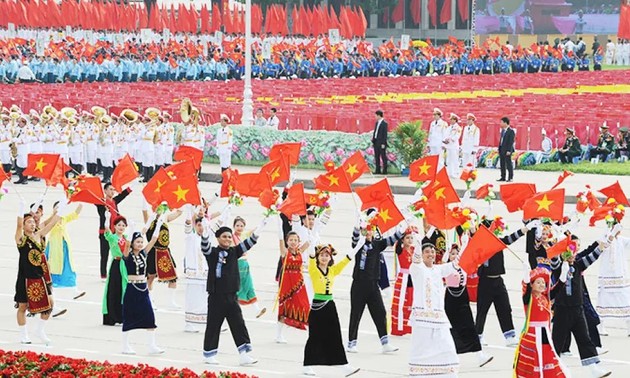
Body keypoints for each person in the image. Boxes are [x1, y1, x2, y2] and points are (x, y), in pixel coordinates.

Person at [201, 217, 269, 365]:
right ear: (218, 238)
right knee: (214, 325)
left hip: (232, 297)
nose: (227, 239)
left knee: (239, 324)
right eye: (224, 237)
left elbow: (249, 243)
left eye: (229, 237)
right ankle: (209, 355)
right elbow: (205, 247)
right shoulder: (212, 253)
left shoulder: (234, 251)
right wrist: (206, 233)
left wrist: (260, 228)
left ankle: (244, 354)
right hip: (216, 296)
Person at [551, 232, 612, 377]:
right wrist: (558, 249)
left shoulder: (578, 265)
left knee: (584, 339)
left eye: (573, 253)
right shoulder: (559, 267)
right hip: (562, 310)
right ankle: (550, 368)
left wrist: (601, 247)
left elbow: (591, 258)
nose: (572, 255)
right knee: (556, 342)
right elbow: (553, 260)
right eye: (568, 253)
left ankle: (593, 369)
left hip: (578, 310)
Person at [347, 210, 403, 354]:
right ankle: (351, 343)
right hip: (359, 284)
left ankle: (385, 343)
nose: (368, 233)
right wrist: (356, 227)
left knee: (380, 312)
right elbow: (354, 239)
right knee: (356, 314)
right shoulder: (359, 244)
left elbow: (392, 240)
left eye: (370, 230)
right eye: (366, 230)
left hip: (373, 284)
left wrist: (402, 228)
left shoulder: (378, 244)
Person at [302, 243, 362, 377]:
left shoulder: (333, 270)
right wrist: (312, 238)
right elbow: (311, 254)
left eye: (326, 255)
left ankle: (343, 365)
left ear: (330, 258)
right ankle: (307, 365)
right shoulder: (313, 269)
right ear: (318, 258)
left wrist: (360, 244)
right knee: (315, 336)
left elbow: (347, 259)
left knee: (335, 335)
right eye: (321, 255)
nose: (324, 258)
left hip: (330, 305)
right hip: (317, 306)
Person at [476, 219, 535, 346]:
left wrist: (526, 229)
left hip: (498, 281)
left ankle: (509, 335)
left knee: (505, 308)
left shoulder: (498, 242)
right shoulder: (479, 245)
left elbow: (511, 238)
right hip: (485, 282)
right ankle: (478, 335)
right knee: (482, 310)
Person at [408, 242, 459, 377]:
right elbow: (416, 259)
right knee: (421, 347)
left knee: (447, 345)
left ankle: (445, 372)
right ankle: (419, 373)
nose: (431, 254)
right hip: (422, 318)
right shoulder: (417, 269)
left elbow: (456, 263)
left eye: (432, 251)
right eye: (427, 252)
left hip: (438, 317)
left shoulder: (438, 269)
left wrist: (464, 244)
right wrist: (419, 244)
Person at [14, 201, 60, 344]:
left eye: (33, 222)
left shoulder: (39, 235)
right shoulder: (21, 239)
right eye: (29, 222)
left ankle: (39, 330)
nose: (32, 224)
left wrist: (62, 208)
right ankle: (23, 334)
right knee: (23, 306)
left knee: (50, 304)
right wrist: (21, 210)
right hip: (25, 278)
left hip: (39, 277)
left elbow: (51, 224)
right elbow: (19, 226)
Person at [513, 266, 569, 377]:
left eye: (543, 282)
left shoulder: (545, 298)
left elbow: (557, 289)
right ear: (532, 284)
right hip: (532, 335)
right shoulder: (529, 299)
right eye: (538, 282)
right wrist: (526, 275)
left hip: (545, 333)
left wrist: (563, 274)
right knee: (534, 359)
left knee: (547, 355)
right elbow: (526, 290)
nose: (542, 285)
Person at [444, 244, 493, 367]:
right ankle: (450, 355)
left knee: (470, 326)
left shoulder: (463, 266)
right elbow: (448, 259)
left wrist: (466, 242)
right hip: (450, 299)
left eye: (457, 253)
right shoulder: (445, 267)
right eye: (452, 254)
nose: (455, 256)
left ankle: (480, 355)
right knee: (453, 328)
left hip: (463, 298)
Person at [120, 226, 164, 355]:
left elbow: (153, 240)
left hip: (143, 289)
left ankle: (152, 346)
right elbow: (126, 245)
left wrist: (159, 222)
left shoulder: (144, 254)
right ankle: (125, 346)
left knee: (149, 316)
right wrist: (130, 230)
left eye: (141, 242)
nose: (140, 244)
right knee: (128, 317)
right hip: (132, 288)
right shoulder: (127, 256)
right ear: (133, 243)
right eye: (137, 242)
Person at [276, 222, 311, 343]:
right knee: (284, 307)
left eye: (295, 240)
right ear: (287, 241)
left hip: (299, 284)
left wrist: (311, 231)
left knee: (305, 306)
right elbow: (280, 238)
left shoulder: (301, 251)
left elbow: (311, 239)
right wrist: (279, 223)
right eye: (290, 240)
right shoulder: (285, 253)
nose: (293, 242)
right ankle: (278, 335)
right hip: (286, 283)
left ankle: (311, 334)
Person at [143, 203, 182, 309]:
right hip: (153, 251)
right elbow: (144, 210)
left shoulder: (165, 219)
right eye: (157, 208)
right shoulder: (149, 220)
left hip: (165, 251)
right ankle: (149, 299)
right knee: (150, 277)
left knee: (173, 276)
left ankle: (171, 301)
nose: (159, 210)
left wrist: (183, 203)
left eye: (161, 208)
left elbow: (179, 212)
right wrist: (144, 200)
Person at [44, 201, 85, 299]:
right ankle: (50, 294)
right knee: (52, 269)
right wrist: (54, 215)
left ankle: (74, 290)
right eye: (57, 207)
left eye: (61, 207)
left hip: (64, 247)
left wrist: (81, 202)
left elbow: (75, 214)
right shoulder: (50, 220)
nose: (59, 209)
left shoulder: (63, 219)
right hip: (54, 248)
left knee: (69, 267)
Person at [596, 223, 630, 336]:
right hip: (607, 277)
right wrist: (612, 233)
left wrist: (616, 233)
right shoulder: (604, 236)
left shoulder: (621, 240)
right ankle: (601, 326)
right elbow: (604, 245)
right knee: (604, 301)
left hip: (621, 277)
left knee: (626, 300)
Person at [96, 183, 132, 280]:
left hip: (116, 233)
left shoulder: (114, 201)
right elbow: (93, 197)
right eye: (110, 189)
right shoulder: (101, 202)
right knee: (104, 254)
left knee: (119, 253)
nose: (112, 192)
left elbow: (123, 195)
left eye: (113, 190)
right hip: (105, 232)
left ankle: (119, 272)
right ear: (105, 190)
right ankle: (103, 275)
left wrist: (130, 187)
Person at [234, 216, 266, 318]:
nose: (239, 227)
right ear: (234, 226)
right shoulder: (230, 237)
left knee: (249, 286)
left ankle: (257, 310)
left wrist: (265, 219)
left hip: (245, 265)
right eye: (237, 225)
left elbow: (255, 231)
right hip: (236, 265)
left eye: (241, 226)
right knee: (237, 289)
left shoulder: (244, 235)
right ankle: (233, 311)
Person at [184, 206, 209, 333]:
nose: (201, 227)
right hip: (193, 273)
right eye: (198, 225)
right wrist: (191, 209)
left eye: (202, 225)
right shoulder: (190, 236)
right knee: (192, 298)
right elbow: (188, 223)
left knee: (205, 298)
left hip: (204, 273)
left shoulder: (205, 238)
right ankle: (189, 323)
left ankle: (206, 322)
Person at [102, 215, 130, 326]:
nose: (121, 227)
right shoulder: (112, 237)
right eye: (119, 225)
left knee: (124, 290)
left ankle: (122, 316)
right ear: (114, 226)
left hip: (125, 265)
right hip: (116, 264)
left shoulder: (127, 238)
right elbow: (106, 230)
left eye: (123, 225)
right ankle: (112, 317)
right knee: (113, 290)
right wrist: (107, 218)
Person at [391, 228, 415, 336]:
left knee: (410, 302)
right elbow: (396, 244)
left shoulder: (414, 249)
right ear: (402, 240)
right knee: (401, 303)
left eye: (411, 238)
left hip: (412, 278)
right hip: (403, 278)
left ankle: (408, 326)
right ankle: (398, 327)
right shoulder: (400, 249)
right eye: (407, 238)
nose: (410, 240)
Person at [443, 113, 462, 178]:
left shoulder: (458, 128)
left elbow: (457, 136)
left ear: (455, 120)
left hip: (454, 146)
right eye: (450, 119)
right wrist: (445, 140)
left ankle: (456, 172)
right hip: (448, 146)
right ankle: (449, 172)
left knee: (454, 159)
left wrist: (450, 139)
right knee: (448, 160)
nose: (451, 121)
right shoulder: (448, 127)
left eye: (452, 119)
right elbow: (445, 135)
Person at [497, 117, 514, 182]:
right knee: (502, 164)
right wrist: (499, 148)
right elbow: (501, 141)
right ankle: (503, 177)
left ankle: (510, 177)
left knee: (508, 164)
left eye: (501, 122)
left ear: (505, 123)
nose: (500, 123)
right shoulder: (503, 131)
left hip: (507, 150)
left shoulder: (511, 131)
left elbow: (511, 142)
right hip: (502, 149)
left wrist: (509, 150)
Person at [372, 110, 388, 175]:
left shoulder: (384, 123)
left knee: (383, 156)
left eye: (375, 115)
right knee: (377, 156)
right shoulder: (376, 123)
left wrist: (383, 143)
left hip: (381, 142)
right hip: (376, 141)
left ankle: (384, 170)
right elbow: (375, 132)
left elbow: (385, 134)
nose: (375, 117)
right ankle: (377, 170)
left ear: (379, 115)